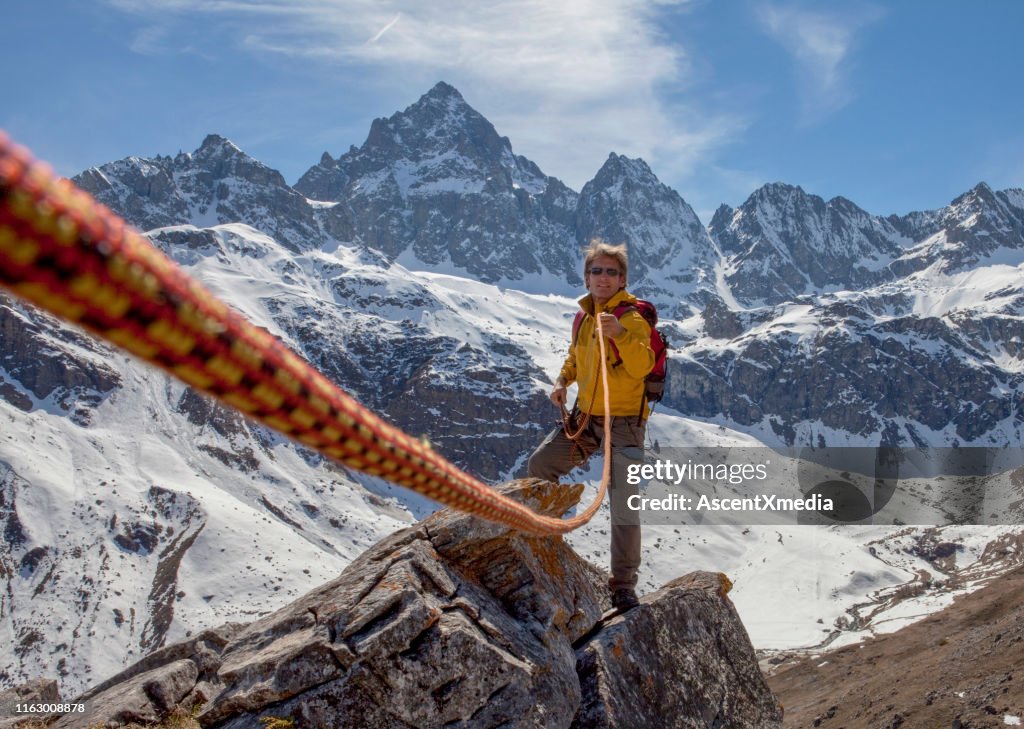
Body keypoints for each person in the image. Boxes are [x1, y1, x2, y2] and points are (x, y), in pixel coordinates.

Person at [527, 239, 654, 611]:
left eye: (611, 272)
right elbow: (575, 357)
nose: (603, 277)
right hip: (586, 417)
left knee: (624, 504)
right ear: (586, 277)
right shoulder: (583, 317)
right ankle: (545, 539)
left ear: (622, 279)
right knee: (541, 465)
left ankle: (623, 585)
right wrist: (562, 381)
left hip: (625, 422)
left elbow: (643, 365)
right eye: (596, 270)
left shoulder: (631, 318)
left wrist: (620, 335)